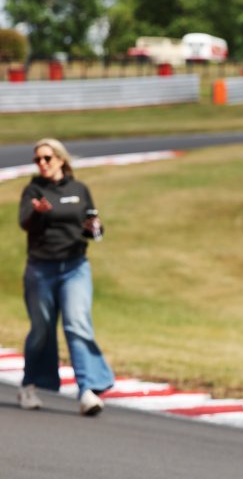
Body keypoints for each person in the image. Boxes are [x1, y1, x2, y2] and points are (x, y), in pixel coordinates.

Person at [17, 138, 115, 416]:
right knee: (42, 329)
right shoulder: (34, 190)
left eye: (47, 158)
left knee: (77, 324)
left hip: (75, 267)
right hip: (41, 268)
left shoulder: (79, 189)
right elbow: (25, 223)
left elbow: (91, 225)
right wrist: (38, 214)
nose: (42, 163)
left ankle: (88, 389)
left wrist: (94, 228)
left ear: (61, 159)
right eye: (38, 159)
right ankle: (31, 384)